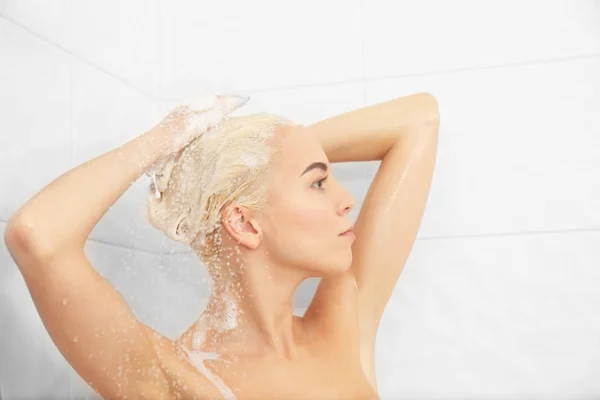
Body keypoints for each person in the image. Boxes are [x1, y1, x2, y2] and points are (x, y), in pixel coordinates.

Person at [4, 92, 440, 399]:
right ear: (245, 223)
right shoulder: (180, 379)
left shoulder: (344, 322)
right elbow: (37, 234)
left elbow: (419, 119)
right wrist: (165, 139)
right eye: (319, 182)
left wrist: (270, 153)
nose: (347, 201)